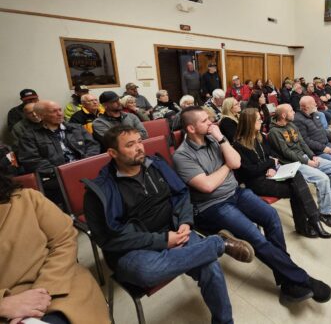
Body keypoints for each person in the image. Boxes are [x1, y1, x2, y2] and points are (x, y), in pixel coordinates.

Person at [84, 126, 254, 324]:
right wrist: (163, 241)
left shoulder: (155, 164)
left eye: (140, 141)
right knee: (148, 272)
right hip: (133, 250)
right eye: (130, 145)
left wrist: (185, 221)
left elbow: (181, 194)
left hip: (173, 229)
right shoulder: (99, 191)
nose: (139, 147)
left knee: (210, 267)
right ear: (112, 153)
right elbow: (109, 238)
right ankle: (218, 243)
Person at [172, 106, 331, 303]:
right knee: (256, 237)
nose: (211, 123)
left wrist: (222, 139)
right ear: (191, 128)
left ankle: (286, 279)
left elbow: (237, 163)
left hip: (236, 193)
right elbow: (207, 185)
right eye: (205, 121)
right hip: (213, 205)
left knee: (272, 217)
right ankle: (302, 279)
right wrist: (227, 167)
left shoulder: (214, 139)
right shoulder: (182, 155)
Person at [0, 167, 110, 324]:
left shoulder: (26, 199)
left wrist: (42, 291)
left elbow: (64, 239)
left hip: (56, 284)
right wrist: (3, 305)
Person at [233, 108, 331, 238]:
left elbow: (272, 156)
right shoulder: (238, 145)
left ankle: (313, 220)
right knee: (297, 190)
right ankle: (309, 223)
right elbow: (249, 171)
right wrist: (269, 164)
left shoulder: (260, 137)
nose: (261, 121)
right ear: (249, 122)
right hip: (256, 182)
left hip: (271, 174)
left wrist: (272, 166)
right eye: (258, 119)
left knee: (297, 175)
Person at [269, 104, 331, 219]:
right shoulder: (274, 132)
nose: (294, 112)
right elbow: (286, 153)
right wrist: (307, 161)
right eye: (291, 111)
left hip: (305, 158)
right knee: (323, 178)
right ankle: (325, 213)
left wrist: (312, 156)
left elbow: (302, 143)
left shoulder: (291, 125)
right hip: (292, 164)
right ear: (284, 115)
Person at [18, 100, 100, 204]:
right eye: (54, 111)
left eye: (60, 110)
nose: (60, 113)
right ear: (41, 116)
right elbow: (31, 160)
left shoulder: (76, 128)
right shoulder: (30, 136)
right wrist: (60, 172)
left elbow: (93, 145)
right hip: (57, 176)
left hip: (84, 168)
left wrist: (86, 164)